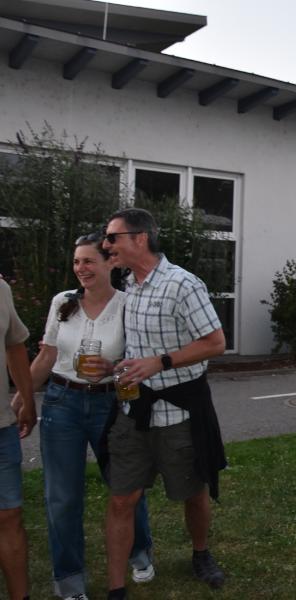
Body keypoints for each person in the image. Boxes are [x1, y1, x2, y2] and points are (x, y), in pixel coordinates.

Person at [13, 233, 153, 599]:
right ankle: (70, 582)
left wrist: (113, 368)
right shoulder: (63, 302)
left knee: (126, 488)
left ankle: (139, 551)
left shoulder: (129, 304)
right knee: (62, 498)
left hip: (112, 404)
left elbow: (142, 360)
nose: (81, 268)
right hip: (62, 404)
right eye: (76, 261)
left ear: (110, 263)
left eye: (89, 260)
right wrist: (20, 400)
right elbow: (46, 356)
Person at [101, 208, 227, 599]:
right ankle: (116, 587)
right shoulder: (128, 284)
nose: (106, 245)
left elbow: (215, 343)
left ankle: (201, 553)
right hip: (133, 410)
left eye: (113, 238)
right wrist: (115, 366)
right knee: (121, 498)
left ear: (140, 238)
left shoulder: (182, 284)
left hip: (179, 413)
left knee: (193, 491)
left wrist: (161, 362)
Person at [0, 279, 35, 600]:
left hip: (1, 428)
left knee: (9, 516)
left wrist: (27, 399)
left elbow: (14, 346)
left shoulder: (0, 290)